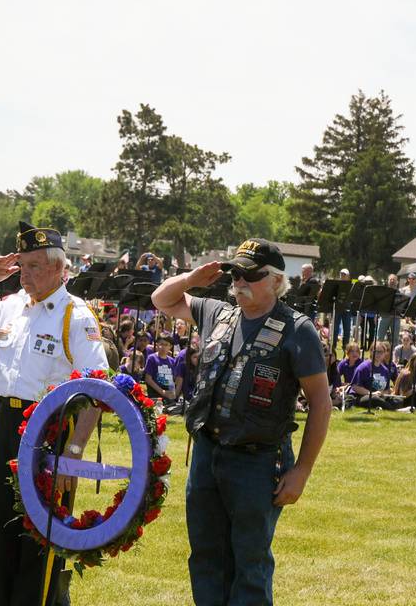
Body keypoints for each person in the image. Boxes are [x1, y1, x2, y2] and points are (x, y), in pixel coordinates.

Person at [151, 238, 331, 606]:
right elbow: (162, 300)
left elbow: (321, 403)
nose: (239, 280)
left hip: (258, 461)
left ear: (276, 281)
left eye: (251, 274)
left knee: (250, 563)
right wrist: (191, 278)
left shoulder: (298, 330)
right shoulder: (218, 312)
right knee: (206, 556)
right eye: (236, 272)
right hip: (207, 454)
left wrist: (302, 470)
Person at [0, 221, 108, 606]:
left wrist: (75, 451)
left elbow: (98, 389)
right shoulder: (13, 305)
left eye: (34, 265)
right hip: (8, 425)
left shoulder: (76, 315)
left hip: (51, 431)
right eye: (22, 265)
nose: (25, 274)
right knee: (3, 528)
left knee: (41, 538)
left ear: (59, 269)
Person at [143, 334, 176, 399]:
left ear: (170, 346)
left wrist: (172, 393)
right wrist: (162, 392)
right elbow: (148, 379)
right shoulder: (152, 358)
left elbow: (172, 380)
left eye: (166, 345)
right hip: (155, 395)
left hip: (168, 395)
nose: (163, 347)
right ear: (157, 345)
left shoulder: (172, 361)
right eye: (161, 344)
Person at [331, 268, 352, 351]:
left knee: (347, 328)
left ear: (348, 276)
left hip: (347, 309)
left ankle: (345, 346)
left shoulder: (351, 286)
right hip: (337, 308)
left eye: (344, 275)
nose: (342, 276)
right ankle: (333, 345)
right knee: (335, 328)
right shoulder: (336, 285)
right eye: (341, 274)